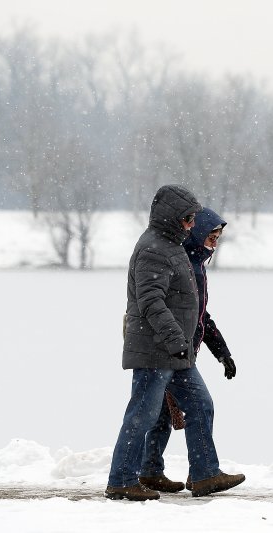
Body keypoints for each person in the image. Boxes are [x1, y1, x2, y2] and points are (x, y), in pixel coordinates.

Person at [105, 185, 244, 501]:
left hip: (176, 351)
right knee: (143, 415)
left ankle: (205, 475)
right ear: (172, 217)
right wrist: (175, 340)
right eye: (188, 219)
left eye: (193, 219)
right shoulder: (154, 249)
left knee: (199, 404)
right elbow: (151, 301)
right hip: (158, 349)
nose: (192, 225)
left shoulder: (174, 248)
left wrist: (220, 352)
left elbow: (195, 311)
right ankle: (121, 480)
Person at [138, 207, 237, 494]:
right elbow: (187, 315)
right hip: (172, 351)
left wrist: (222, 353)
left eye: (218, 237)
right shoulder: (186, 267)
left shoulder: (196, 264)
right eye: (211, 235)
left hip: (174, 350)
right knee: (199, 405)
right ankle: (204, 473)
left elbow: (201, 316)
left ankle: (149, 471)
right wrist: (177, 346)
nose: (215, 241)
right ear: (195, 233)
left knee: (158, 413)